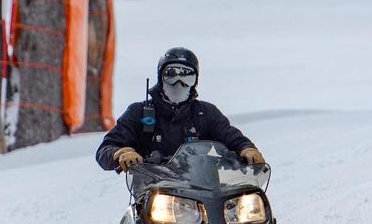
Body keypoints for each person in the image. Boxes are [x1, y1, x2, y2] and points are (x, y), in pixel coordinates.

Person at [96, 47, 265, 172]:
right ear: (161, 78)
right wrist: (120, 153)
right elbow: (106, 149)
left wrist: (247, 149)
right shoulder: (139, 112)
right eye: (171, 75)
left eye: (187, 76)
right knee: (136, 219)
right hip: (152, 190)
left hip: (202, 188)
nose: (179, 83)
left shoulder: (205, 113)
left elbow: (231, 137)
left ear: (196, 81)